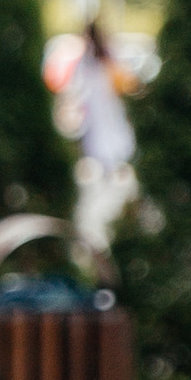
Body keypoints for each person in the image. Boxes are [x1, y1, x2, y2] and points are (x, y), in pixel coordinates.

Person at [68, 13, 135, 234]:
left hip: (104, 115)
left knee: (107, 147)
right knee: (106, 148)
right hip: (104, 115)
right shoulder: (101, 58)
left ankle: (115, 186)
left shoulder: (95, 60)